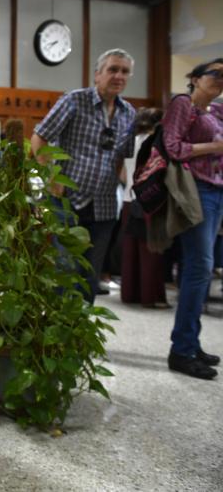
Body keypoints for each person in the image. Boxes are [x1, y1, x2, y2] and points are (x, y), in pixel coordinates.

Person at [31, 48, 137, 304]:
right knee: (65, 271)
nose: (119, 76)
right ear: (97, 74)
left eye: (124, 71)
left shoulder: (129, 113)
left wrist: (124, 187)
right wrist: (52, 178)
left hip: (103, 206)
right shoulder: (74, 101)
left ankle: (78, 336)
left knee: (90, 277)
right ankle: (58, 338)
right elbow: (39, 137)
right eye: (112, 69)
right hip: (66, 201)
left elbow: (122, 157)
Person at [162, 58, 223, 380]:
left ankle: (191, 343)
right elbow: (172, 147)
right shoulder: (183, 104)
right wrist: (214, 145)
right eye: (216, 73)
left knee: (198, 269)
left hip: (215, 193)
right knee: (199, 268)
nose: (221, 79)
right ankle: (182, 350)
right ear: (196, 78)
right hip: (194, 191)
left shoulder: (216, 112)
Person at [120, 107, 169, 309]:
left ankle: (130, 294)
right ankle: (150, 296)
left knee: (129, 253)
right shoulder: (155, 144)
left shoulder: (130, 141)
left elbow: (123, 175)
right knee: (151, 252)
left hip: (128, 199)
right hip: (149, 201)